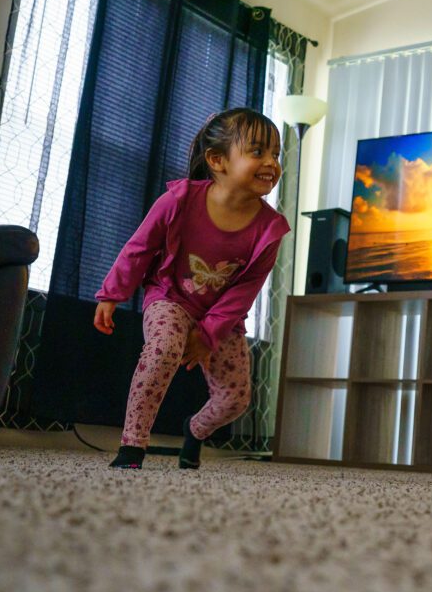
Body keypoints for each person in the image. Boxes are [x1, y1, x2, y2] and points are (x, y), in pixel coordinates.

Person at [94, 108, 290, 470]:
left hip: (222, 317)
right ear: (218, 160)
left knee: (235, 399)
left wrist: (209, 334)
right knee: (163, 349)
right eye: (258, 152)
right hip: (171, 298)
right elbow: (140, 248)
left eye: (276, 154)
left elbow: (244, 290)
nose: (271, 163)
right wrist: (111, 293)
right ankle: (132, 447)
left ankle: (194, 430)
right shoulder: (180, 200)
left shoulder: (271, 229)